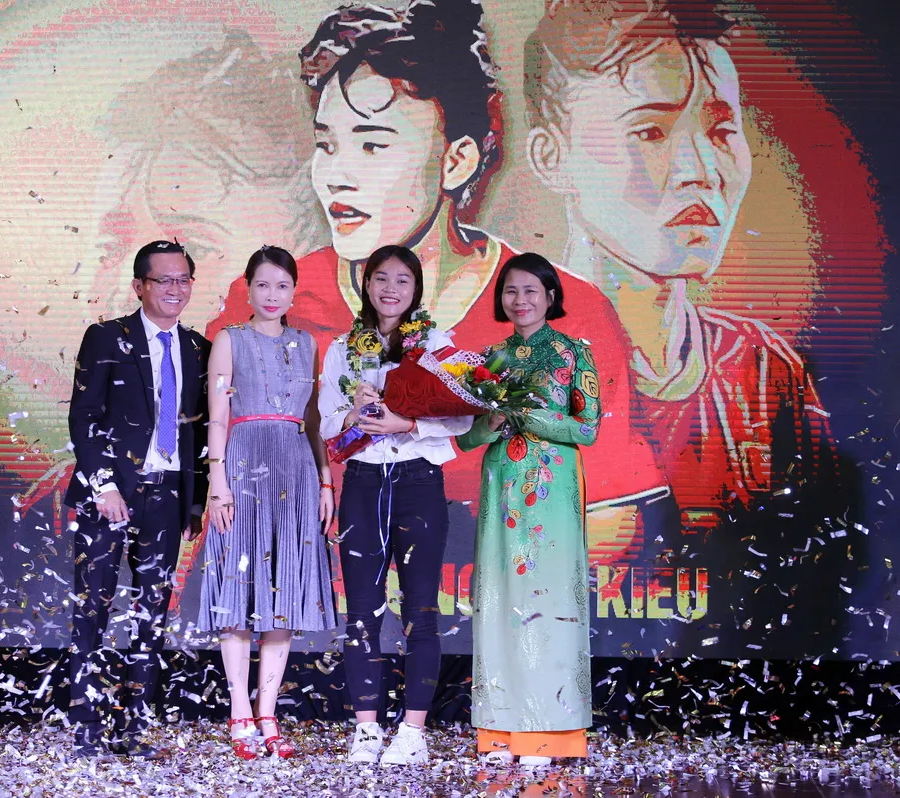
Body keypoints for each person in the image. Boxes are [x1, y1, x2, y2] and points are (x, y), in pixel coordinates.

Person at [208, 0, 666, 550]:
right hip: (311, 573)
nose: (336, 175)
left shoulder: (564, 309)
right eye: (327, 144)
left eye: (373, 144)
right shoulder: (274, 300)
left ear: (457, 160)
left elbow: (612, 518)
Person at [523, 0, 843, 653]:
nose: (700, 167)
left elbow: (817, 575)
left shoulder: (765, 372)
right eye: (650, 131)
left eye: (721, 131)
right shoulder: (514, 366)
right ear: (552, 157)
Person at [318, 245, 472, 765]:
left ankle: (412, 732)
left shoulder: (437, 345)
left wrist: (405, 423)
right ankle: (366, 729)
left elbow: (462, 418)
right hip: (362, 481)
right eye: (381, 278)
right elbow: (324, 421)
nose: (391, 289)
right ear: (366, 285)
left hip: (418, 481)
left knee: (420, 609)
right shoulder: (342, 348)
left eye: (402, 280)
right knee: (361, 610)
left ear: (416, 289)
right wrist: (353, 413)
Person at [65, 240, 211, 757]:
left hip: (167, 496)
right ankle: (86, 726)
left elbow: (200, 431)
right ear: (139, 286)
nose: (176, 289)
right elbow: (84, 416)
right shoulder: (107, 336)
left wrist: (195, 503)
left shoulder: (198, 348)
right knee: (93, 607)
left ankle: (134, 727)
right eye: (164, 280)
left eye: (183, 280)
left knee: (152, 613)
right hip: (108, 495)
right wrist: (103, 485)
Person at [196, 246, 337, 760]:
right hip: (242, 467)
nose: (272, 295)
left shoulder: (308, 343)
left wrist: (325, 481)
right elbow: (216, 415)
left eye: (282, 286)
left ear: (294, 291)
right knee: (237, 593)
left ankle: (268, 713)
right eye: (263, 285)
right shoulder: (228, 340)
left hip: (297, 472)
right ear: (248, 288)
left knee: (285, 596)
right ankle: (239, 712)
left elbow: (314, 420)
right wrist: (218, 483)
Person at [459, 253, 598, 767]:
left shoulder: (573, 353)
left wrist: (530, 417)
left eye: (531, 291)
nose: (520, 300)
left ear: (551, 296)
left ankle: (548, 731)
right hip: (501, 485)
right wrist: (490, 423)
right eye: (511, 291)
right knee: (499, 599)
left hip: (552, 489)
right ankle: (499, 729)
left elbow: (587, 428)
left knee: (549, 597)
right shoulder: (490, 360)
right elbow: (467, 437)